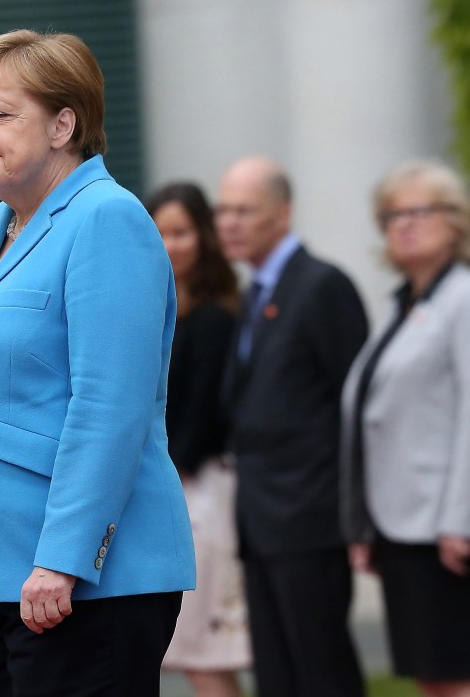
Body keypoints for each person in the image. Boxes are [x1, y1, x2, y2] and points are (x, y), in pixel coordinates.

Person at [0, 29, 195, 697]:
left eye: (0, 114)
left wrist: (63, 558)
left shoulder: (106, 218)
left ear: (65, 124)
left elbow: (110, 407)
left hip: (72, 586)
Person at [215, 155, 367, 697]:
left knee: (320, 668)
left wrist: (356, 517)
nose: (229, 223)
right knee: (277, 673)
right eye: (223, 210)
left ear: (283, 214)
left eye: (244, 211)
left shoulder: (322, 287)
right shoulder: (253, 294)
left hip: (311, 518)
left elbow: (357, 407)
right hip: (260, 520)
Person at [341, 160, 470, 697]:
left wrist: (459, 520)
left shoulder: (462, 297)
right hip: (402, 526)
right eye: (392, 214)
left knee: (453, 674)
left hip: (442, 526)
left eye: (420, 211)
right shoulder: (409, 304)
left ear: (456, 219)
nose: (404, 223)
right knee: (431, 675)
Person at [146, 182, 250, 697]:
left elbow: (203, 417)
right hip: (168, 492)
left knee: (202, 652)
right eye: (160, 231)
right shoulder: (149, 313)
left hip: (198, 493)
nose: (170, 244)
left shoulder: (214, 317)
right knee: (180, 653)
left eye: (182, 232)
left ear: (203, 238)